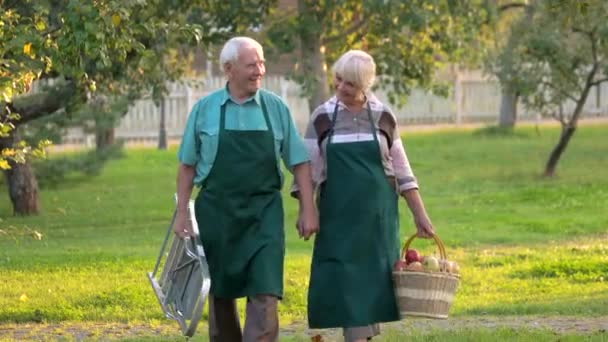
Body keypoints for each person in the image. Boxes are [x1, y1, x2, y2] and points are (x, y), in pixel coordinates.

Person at [175, 36, 319, 342]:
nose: (260, 70)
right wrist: (181, 215)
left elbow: (300, 163)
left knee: (265, 291)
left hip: (264, 215)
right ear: (229, 69)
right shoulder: (205, 109)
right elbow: (187, 166)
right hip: (217, 214)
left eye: (262, 62)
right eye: (252, 64)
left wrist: (308, 208)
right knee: (221, 297)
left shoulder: (275, 108)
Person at [299, 50, 435, 341]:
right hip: (338, 220)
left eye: (349, 83)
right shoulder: (322, 116)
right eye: (337, 79)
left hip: (377, 220)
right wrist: (307, 210)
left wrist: (420, 214)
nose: (340, 87)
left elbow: (402, 170)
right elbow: (308, 170)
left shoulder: (383, 116)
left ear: (364, 85)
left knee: (370, 291)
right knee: (349, 288)